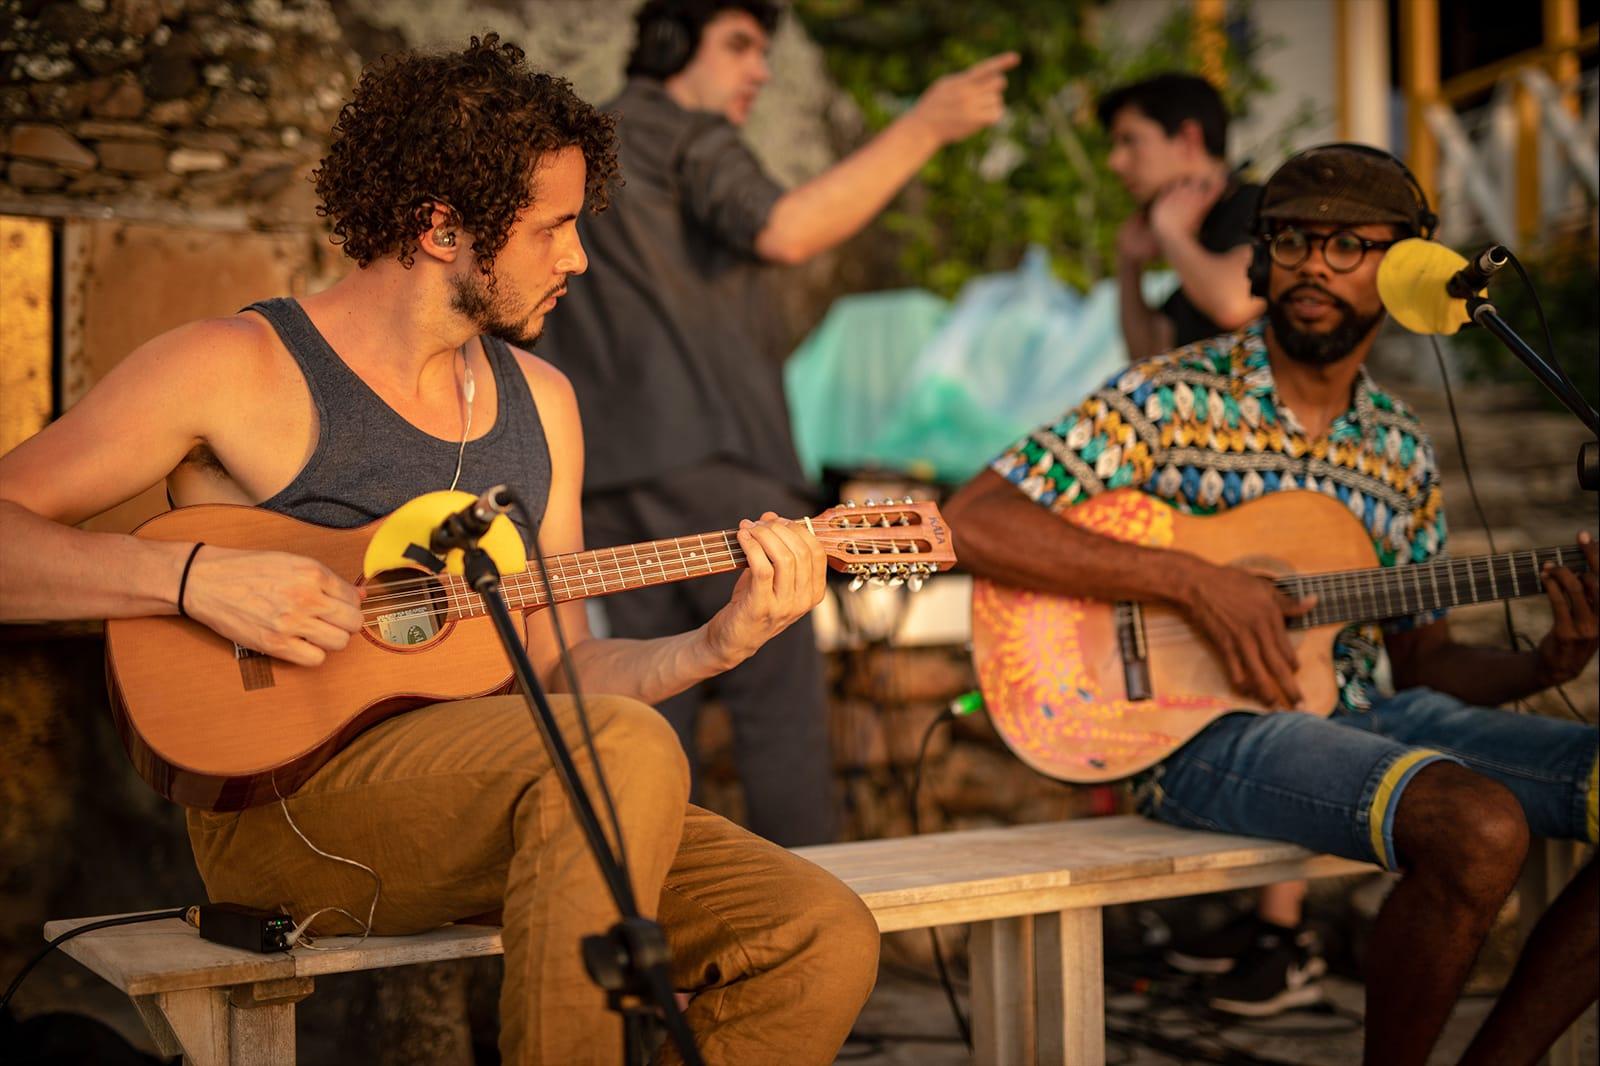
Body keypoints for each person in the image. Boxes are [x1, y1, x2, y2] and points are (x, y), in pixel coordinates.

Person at [0, 36, 880, 1065]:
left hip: (516, 797)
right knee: (622, 747)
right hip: (287, 818)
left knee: (818, 933)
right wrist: (191, 577)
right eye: (553, 228)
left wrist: (716, 643)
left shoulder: (543, 404)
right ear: (442, 228)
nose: (579, 259)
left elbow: (560, 672)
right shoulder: (233, 368)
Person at [945, 144, 1598, 1058]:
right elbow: (974, 519)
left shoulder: (1399, 445)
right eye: (1291, 241)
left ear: (1408, 266)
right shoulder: (1171, 396)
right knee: (1479, 824)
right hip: (1197, 732)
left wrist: (1544, 664)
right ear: (1261, 258)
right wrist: (1193, 581)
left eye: (1349, 246)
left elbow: (1425, 664)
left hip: (1369, 714)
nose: (1313, 267)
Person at [538, 0, 1018, 847]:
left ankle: (658, 912)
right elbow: (786, 231)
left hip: (604, 482)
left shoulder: (581, 151)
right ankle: (812, 914)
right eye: (738, 46)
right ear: (671, 44)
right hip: (723, 471)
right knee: (780, 722)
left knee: (650, 721)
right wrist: (927, 125)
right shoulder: (688, 131)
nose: (758, 70)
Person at [1100, 72, 1265, 363]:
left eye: (1130, 140)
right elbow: (1147, 355)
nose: (1115, 162)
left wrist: (1172, 233)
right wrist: (1128, 264)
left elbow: (1235, 302)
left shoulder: (1258, 207)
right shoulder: (1200, 237)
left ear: (1189, 138)